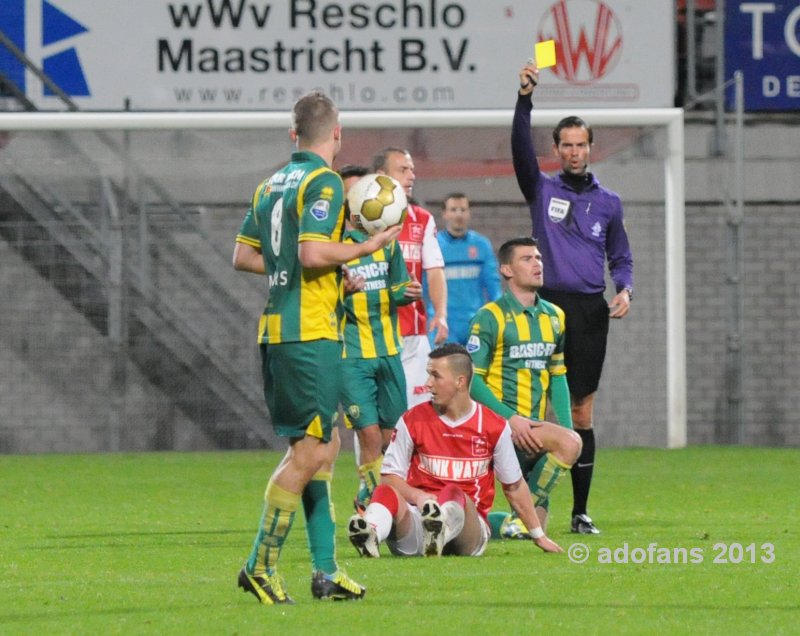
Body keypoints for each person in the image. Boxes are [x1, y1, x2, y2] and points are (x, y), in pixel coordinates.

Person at [231, 91, 400, 604]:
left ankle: (325, 572)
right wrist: (364, 247)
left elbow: (243, 256)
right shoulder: (321, 180)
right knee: (310, 452)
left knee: (321, 450)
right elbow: (309, 251)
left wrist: (324, 276)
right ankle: (259, 565)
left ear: (292, 134)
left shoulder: (269, 184)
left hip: (281, 330)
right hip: (309, 335)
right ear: (337, 133)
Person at [512, 62, 634, 535]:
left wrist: (624, 288)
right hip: (546, 308)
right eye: (566, 144)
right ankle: (523, 508)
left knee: (581, 411)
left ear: (590, 147)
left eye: (581, 144)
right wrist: (524, 100)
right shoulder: (542, 189)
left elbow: (620, 257)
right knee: (535, 411)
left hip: (588, 311)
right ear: (557, 149)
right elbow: (520, 151)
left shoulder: (609, 202)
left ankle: (579, 512)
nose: (574, 151)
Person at [347, 343, 564, 558]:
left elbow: (514, 487)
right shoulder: (412, 420)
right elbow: (390, 478)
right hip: (418, 522)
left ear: (460, 381)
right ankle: (371, 532)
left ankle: (439, 528)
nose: (428, 383)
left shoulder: (493, 426)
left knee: (454, 492)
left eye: (435, 376)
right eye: (428, 375)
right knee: (384, 492)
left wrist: (538, 535)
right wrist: (418, 496)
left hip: (469, 531)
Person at [466, 237, 582, 537]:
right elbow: (472, 382)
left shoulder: (555, 316)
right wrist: (510, 419)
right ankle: (510, 519)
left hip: (533, 428)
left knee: (535, 529)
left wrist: (566, 430)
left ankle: (513, 520)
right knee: (474, 522)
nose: (537, 264)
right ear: (506, 270)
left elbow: (558, 375)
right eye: (527, 259)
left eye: (539, 258)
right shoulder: (489, 317)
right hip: (498, 427)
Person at [337, 164, 423, 511]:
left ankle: (368, 497)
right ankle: (373, 507)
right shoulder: (334, 248)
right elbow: (327, 299)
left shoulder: (388, 246)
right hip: (352, 356)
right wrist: (342, 291)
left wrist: (410, 291)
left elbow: (400, 286)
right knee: (369, 435)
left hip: (389, 350)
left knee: (392, 438)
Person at [372, 148, 448, 407]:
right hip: (372, 335)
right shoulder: (362, 222)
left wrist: (440, 313)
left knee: (420, 415)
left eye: (412, 169)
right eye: (402, 170)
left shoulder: (422, 219)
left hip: (413, 336)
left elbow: (435, 269)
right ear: (381, 176)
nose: (411, 176)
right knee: (374, 423)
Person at [429, 192, 502, 345]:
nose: (459, 215)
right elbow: (425, 285)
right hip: (443, 323)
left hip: (475, 322)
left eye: (463, 210)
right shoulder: (433, 245)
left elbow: (493, 284)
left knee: (478, 369)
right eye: (454, 210)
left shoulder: (482, 245)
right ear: (444, 214)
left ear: (469, 213)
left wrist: (500, 315)